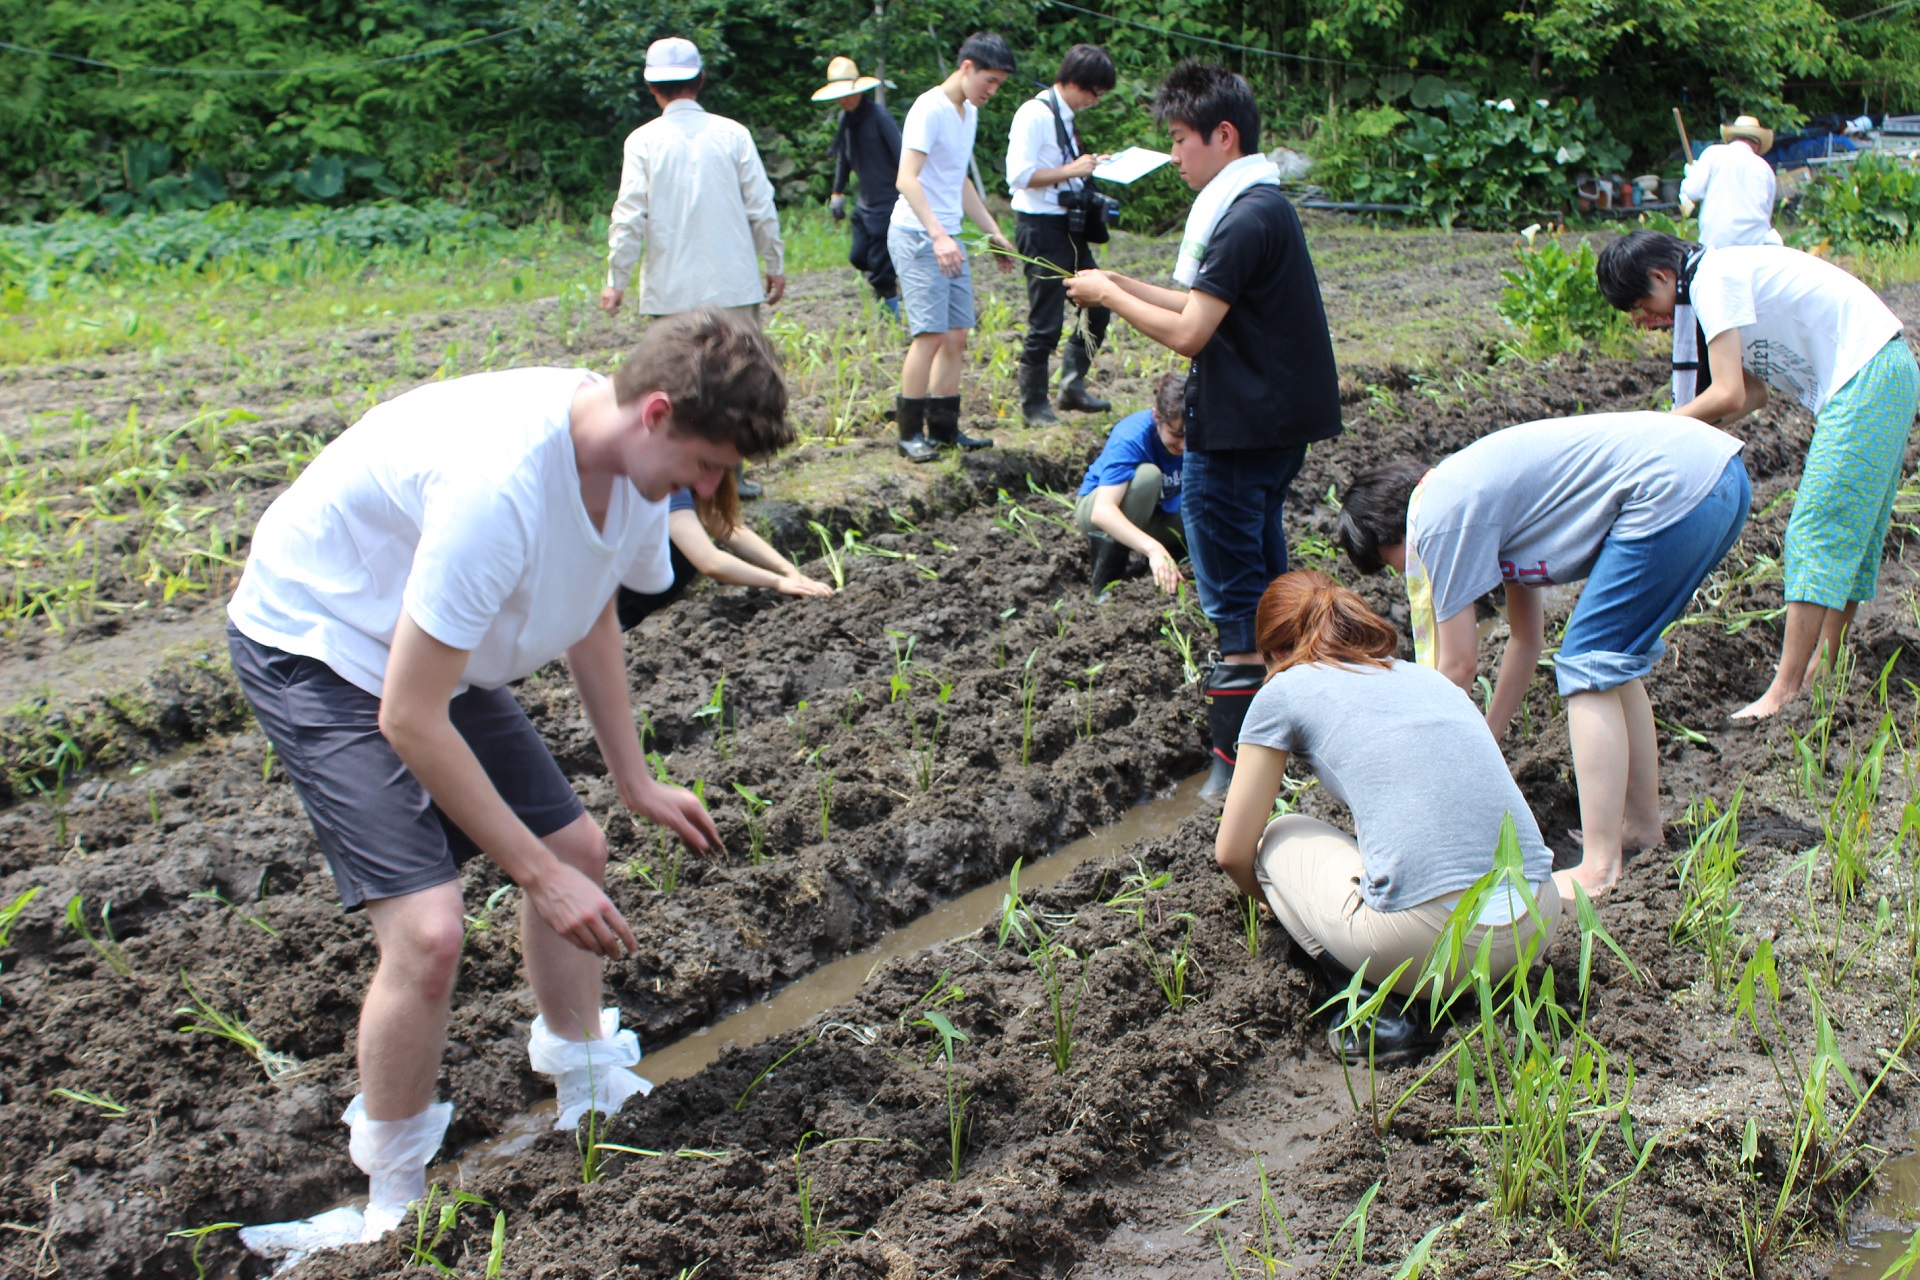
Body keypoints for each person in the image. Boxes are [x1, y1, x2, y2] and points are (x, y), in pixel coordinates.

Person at [224, 310, 791, 1249]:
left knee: (582, 845)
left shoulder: (632, 476)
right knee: (431, 931)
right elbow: (409, 715)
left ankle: (583, 1079)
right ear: (656, 413)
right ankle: (389, 1207)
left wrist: (635, 780)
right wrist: (532, 872)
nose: (708, 491)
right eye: (704, 464)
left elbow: (589, 615)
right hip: (323, 639)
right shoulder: (501, 486)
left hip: (433, 634)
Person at [1333, 411, 1751, 900]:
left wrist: (1428, 768)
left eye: (1388, 564)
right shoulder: (1474, 500)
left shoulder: (1437, 519)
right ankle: (1641, 829)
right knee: (1610, 661)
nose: (1402, 573)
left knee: (1589, 660)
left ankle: (1597, 867)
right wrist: (1484, 740)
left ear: (1387, 534)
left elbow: (1458, 665)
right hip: (1714, 476)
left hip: (1679, 486)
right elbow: (1526, 639)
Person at [1064, 61, 1341, 797]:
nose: (1177, 155)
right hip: (1272, 431)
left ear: (1224, 136)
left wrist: (1108, 299)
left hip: (1238, 435)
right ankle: (1291, 745)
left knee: (1233, 606)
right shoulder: (1259, 207)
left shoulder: (1244, 217)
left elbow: (1189, 331)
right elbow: (1200, 299)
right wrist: (1117, 284)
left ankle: (1234, 781)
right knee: (1269, 588)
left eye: (1183, 140)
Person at [1216, 571, 1560, 1063]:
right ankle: (1472, 984)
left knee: (1278, 835)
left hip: (1429, 948)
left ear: (1273, 654)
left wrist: (1279, 903)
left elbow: (1230, 852)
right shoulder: (1427, 678)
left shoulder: (1286, 688)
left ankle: (1377, 1009)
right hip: (1537, 917)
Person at [1595, 230, 1917, 720]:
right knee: (1852, 535)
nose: (1644, 321)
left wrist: (1653, 429)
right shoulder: (1716, 279)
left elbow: (1724, 393)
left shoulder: (1711, 280)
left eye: (1642, 304)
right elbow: (1752, 393)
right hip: (1883, 370)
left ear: (1663, 276)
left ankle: (1783, 691)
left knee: (1818, 529)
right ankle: (1823, 673)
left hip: (1868, 373)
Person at [888, 31, 1018, 463]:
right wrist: (938, 233)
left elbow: (957, 180)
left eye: (999, 84)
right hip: (918, 234)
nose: (992, 92)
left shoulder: (968, 113)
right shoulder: (929, 109)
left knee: (957, 333)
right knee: (929, 333)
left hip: (950, 236)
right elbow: (906, 178)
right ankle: (909, 434)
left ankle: (944, 429)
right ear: (967, 68)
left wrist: (992, 231)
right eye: (990, 81)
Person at [601, 38, 786, 324]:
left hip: (671, 299)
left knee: (679, 371)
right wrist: (774, 264)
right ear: (701, 79)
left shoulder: (642, 142)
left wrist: (617, 281)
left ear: (651, 86)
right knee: (741, 369)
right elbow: (761, 207)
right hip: (734, 291)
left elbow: (629, 217)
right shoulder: (734, 135)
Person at [1005, 43, 1117, 426]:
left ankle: (1072, 385)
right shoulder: (1034, 114)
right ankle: (1033, 403)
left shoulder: (1062, 116)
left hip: (1068, 226)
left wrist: (1090, 166)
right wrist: (1072, 170)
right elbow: (1018, 177)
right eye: (1093, 93)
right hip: (1039, 227)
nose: (1095, 101)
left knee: (1099, 304)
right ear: (1073, 82)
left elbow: (1060, 166)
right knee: (1046, 319)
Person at [615, 469, 833, 631]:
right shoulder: (668, 484)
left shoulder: (690, 480)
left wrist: (789, 571)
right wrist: (777, 582)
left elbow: (729, 529)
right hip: (616, 614)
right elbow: (710, 562)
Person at [1075, 370, 1186, 597]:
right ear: (1157, 417)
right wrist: (1153, 549)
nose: (1184, 445)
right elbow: (1102, 512)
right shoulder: (1132, 435)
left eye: (1191, 435)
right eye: (1176, 435)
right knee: (1147, 478)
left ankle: (1176, 564)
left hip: (1158, 512)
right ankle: (1107, 580)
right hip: (1100, 510)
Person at [816, 56, 902, 318]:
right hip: (865, 204)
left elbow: (902, 154)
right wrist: (837, 192)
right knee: (858, 256)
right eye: (838, 97)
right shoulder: (847, 119)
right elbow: (843, 156)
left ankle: (890, 316)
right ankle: (897, 276)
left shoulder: (878, 116)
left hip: (887, 201)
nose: (843, 100)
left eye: (847, 95)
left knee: (880, 267)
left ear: (859, 91)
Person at [1678, 115, 1782, 249]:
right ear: (1757, 145)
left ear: (1732, 138)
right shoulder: (1765, 168)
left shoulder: (1713, 154)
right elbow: (1766, 213)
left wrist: (1691, 175)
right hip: (1753, 246)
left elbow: (1692, 192)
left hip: (1715, 242)